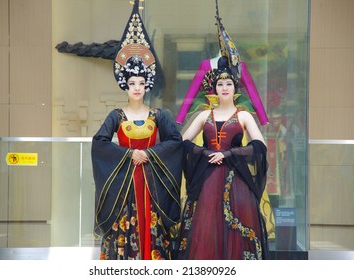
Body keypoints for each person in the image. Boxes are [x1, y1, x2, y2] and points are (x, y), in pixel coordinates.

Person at [91, 1, 183, 260]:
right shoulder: (116, 116)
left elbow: (175, 141)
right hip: (125, 182)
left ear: (147, 85)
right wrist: (127, 154)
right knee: (126, 223)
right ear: (125, 84)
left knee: (151, 224)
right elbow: (99, 143)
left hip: (152, 181)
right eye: (132, 83)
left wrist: (150, 154)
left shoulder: (158, 115)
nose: (137, 88)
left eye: (141, 83)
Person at [177, 54, 269, 260]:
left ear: (235, 87)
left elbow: (259, 145)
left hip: (236, 181)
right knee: (205, 223)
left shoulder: (243, 115)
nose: (225, 87)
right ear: (215, 88)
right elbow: (183, 141)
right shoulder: (204, 115)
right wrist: (205, 152)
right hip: (206, 177)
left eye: (229, 83)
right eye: (220, 84)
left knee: (235, 225)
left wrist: (229, 153)